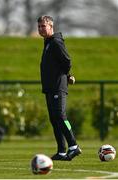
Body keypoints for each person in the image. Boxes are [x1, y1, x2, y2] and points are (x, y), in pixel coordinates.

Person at [37, 15, 81, 161]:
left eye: (43, 26)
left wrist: (67, 75)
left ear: (51, 26)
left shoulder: (55, 42)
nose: (41, 29)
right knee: (54, 119)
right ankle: (62, 151)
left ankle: (74, 146)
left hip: (57, 86)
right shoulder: (48, 42)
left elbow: (67, 60)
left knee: (61, 117)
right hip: (50, 87)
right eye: (39, 26)